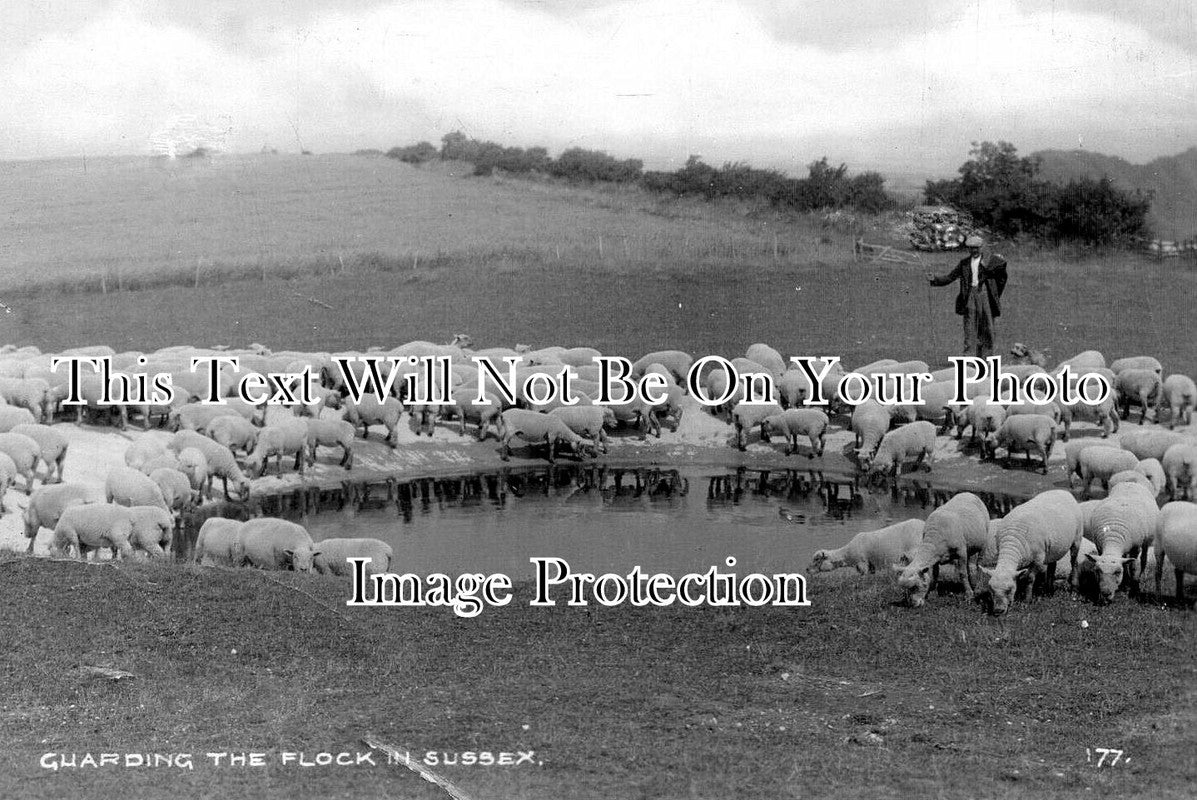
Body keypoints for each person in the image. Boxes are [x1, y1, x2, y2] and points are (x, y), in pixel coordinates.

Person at [927, 235, 1008, 359]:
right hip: (970, 296)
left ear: (981, 248)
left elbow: (1002, 275)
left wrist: (996, 294)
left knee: (987, 329)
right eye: (971, 248)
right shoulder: (964, 263)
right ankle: (968, 360)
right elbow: (950, 277)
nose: (973, 251)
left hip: (985, 296)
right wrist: (935, 279)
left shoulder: (991, 261)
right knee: (969, 329)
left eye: (976, 248)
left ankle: (986, 359)